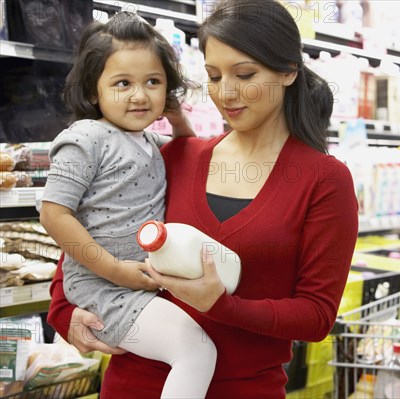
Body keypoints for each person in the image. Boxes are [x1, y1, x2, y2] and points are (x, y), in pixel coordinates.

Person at [46, 1, 359, 398]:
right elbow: (88, 235)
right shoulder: (178, 156)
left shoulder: (324, 181)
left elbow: (315, 317)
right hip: (134, 383)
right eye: (213, 76)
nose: (225, 93)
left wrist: (222, 304)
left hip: (246, 389)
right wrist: (64, 312)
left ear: (288, 72)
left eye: (244, 74)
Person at [40, 11, 217, 399]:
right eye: (122, 83)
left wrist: (177, 118)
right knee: (197, 351)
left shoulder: (146, 142)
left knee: (195, 351)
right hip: (102, 287)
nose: (140, 95)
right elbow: (53, 213)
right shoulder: (84, 138)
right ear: (93, 91)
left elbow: (187, 155)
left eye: (153, 82)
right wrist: (114, 269)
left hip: (132, 285)